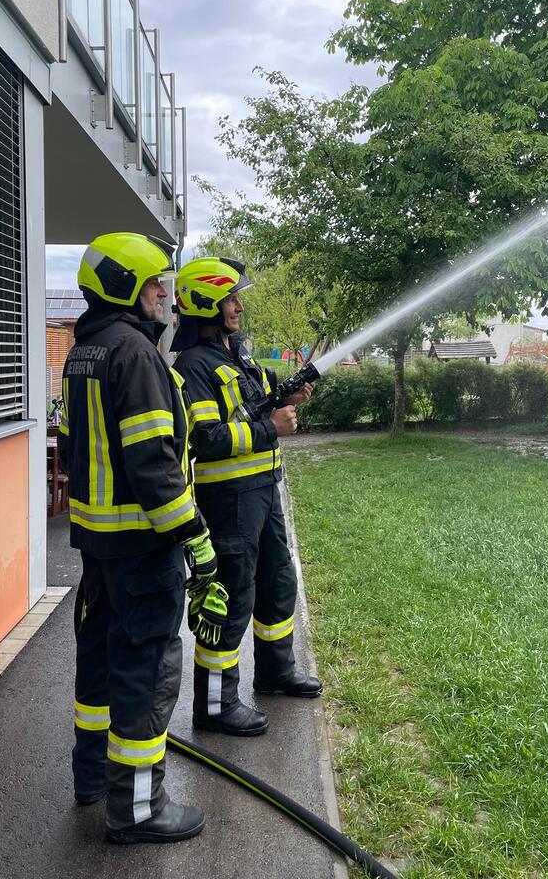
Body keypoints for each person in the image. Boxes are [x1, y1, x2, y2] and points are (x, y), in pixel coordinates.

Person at [58, 233, 226, 843]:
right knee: (146, 672)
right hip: (142, 548)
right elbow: (155, 466)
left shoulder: (84, 352)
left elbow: (77, 450)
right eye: (155, 283)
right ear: (125, 285)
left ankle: (92, 778)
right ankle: (136, 809)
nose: (163, 294)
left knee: (100, 666)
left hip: (98, 548)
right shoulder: (135, 354)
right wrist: (197, 541)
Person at [171, 255, 322, 738]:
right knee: (233, 597)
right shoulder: (193, 366)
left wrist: (286, 399)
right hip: (230, 501)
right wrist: (270, 428)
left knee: (277, 582)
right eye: (230, 299)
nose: (238, 307)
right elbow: (207, 438)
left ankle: (276, 672)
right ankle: (215, 706)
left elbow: (251, 407)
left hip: (263, 492)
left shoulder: (237, 354)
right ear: (205, 304)